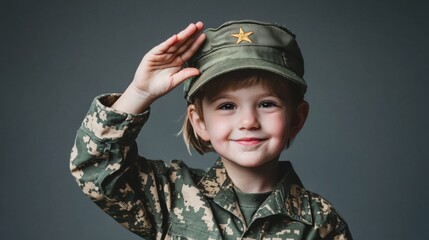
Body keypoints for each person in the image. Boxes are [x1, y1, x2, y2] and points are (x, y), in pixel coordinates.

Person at [70, 20, 352, 239]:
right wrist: (139, 92)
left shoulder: (319, 222)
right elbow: (96, 168)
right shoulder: (172, 194)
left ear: (297, 119)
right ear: (200, 122)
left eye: (267, 104)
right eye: (227, 106)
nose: (248, 121)